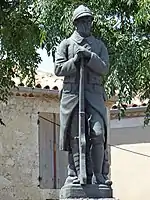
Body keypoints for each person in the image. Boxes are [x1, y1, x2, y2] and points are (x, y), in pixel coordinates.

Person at [54, 5, 112, 186]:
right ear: (76, 23)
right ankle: (76, 175)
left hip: (94, 96)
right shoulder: (66, 44)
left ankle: (99, 175)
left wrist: (89, 56)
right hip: (72, 96)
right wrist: (74, 61)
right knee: (76, 136)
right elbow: (58, 69)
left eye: (89, 20)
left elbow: (104, 68)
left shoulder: (98, 45)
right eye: (84, 20)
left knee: (98, 133)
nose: (87, 24)